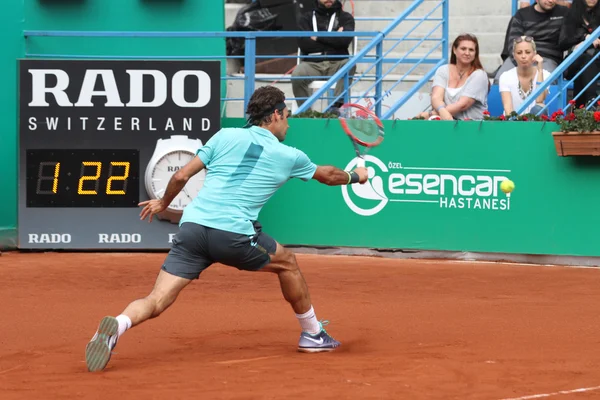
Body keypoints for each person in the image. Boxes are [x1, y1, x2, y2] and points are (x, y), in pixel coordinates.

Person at [84, 85, 369, 372]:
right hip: (232, 234)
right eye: (286, 116)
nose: (288, 123)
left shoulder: (224, 136)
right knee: (288, 264)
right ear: (273, 116)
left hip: (192, 229)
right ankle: (312, 334)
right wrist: (357, 176)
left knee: (156, 300)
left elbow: (182, 174)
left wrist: (163, 203)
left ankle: (118, 325)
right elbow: (329, 176)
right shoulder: (289, 155)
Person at [292, 0, 356, 111]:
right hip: (312, 64)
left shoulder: (346, 18)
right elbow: (304, 45)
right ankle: (306, 113)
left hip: (337, 63)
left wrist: (318, 37)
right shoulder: (306, 18)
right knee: (297, 74)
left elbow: (344, 41)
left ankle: (336, 109)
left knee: (349, 64)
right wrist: (334, 37)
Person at [416, 34, 489, 121]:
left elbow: (462, 105)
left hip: (472, 127)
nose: (467, 53)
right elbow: (436, 98)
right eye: (463, 49)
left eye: (471, 50)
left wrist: (431, 114)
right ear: (454, 50)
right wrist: (442, 111)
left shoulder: (479, 75)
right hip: (445, 125)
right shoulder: (442, 70)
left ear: (475, 53)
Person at [494, 0, 569, 84]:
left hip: (548, 58)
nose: (550, 0)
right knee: (500, 79)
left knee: (546, 82)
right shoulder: (522, 14)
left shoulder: (564, 13)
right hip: (521, 56)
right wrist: (523, 62)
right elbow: (513, 43)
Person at [559, 0, 600, 107]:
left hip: (595, 61)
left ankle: (581, 109)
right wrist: (585, 37)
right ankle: (592, 101)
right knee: (586, 60)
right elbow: (563, 41)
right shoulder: (571, 15)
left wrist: (588, 43)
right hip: (574, 61)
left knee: (584, 70)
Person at [499, 36, 551, 115]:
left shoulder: (545, 74)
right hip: (513, 123)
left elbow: (539, 100)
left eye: (528, 52)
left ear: (534, 53)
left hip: (535, 123)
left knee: (539, 108)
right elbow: (508, 110)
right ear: (514, 55)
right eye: (519, 53)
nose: (523, 56)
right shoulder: (506, 76)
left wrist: (540, 70)